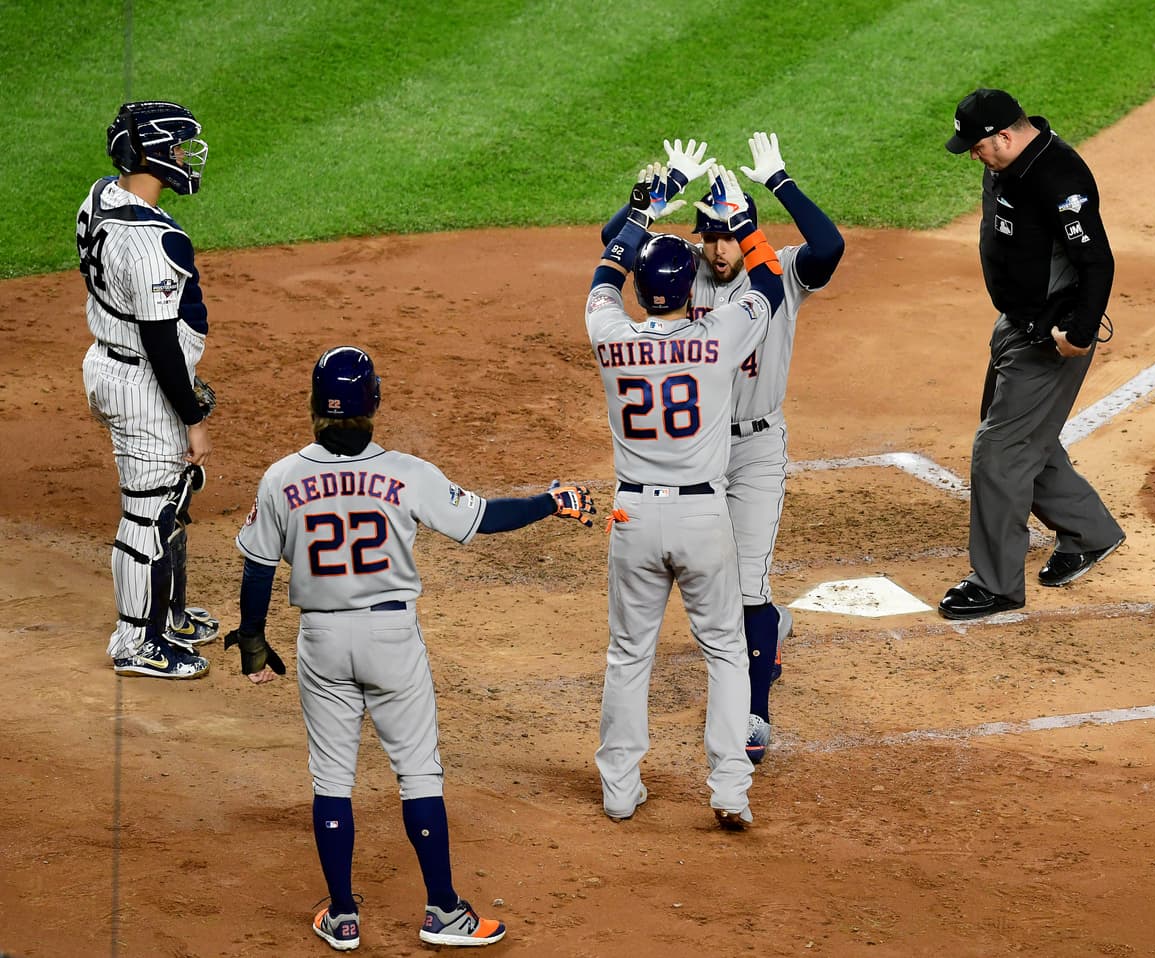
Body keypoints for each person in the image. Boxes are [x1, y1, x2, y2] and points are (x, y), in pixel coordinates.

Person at [228, 345, 595, 951]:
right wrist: (551, 502)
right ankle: (444, 911)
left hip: (320, 639)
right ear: (374, 402)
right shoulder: (406, 473)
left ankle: (343, 915)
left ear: (315, 407)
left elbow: (257, 568)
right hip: (391, 638)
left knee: (331, 779)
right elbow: (483, 519)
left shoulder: (281, 477)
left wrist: (251, 645)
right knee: (418, 773)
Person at [601, 134, 844, 764]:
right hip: (696, 456)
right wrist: (654, 198)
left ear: (749, 232)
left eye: (728, 235)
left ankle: (756, 714)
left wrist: (779, 183)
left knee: (747, 585)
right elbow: (614, 246)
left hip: (757, 448)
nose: (716, 249)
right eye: (707, 235)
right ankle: (770, 636)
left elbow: (831, 248)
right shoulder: (683, 275)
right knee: (726, 583)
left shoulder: (783, 270)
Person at [588, 162, 785, 830]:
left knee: (627, 654)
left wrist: (643, 206)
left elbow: (602, 277)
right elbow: (768, 287)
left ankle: (619, 789)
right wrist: (747, 225)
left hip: (633, 514)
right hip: (703, 514)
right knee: (727, 652)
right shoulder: (720, 335)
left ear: (644, 290)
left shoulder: (610, 335)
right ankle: (730, 788)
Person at [938, 88, 1126, 621]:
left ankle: (996, 584)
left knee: (1000, 451)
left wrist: (1081, 331)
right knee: (1022, 438)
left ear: (1005, 134)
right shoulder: (1005, 162)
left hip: (1049, 335)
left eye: (977, 146)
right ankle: (1089, 532)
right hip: (1015, 324)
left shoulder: (1058, 177)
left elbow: (1097, 261)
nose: (973, 155)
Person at [78, 100, 220, 679]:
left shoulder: (102, 196)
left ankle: (168, 616)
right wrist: (192, 414)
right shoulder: (152, 240)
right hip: (142, 380)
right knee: (148, 511)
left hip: (115, 361)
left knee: (173, 492)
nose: (188, 157)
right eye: (181, 147)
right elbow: (161, 339)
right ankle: (135, 643)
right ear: (156, 153)